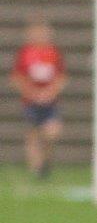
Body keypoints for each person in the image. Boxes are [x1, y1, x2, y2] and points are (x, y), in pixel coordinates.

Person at [9, 17, 66, 179]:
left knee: (52, 132)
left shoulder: (54, 52)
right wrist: (31, 93)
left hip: (50, 102)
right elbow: (17, 77)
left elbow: (61, 77)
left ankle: (45, 163)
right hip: (31, 101)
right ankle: (36, 169)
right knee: (33, 133)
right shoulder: (25, 53)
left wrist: (50, 92)